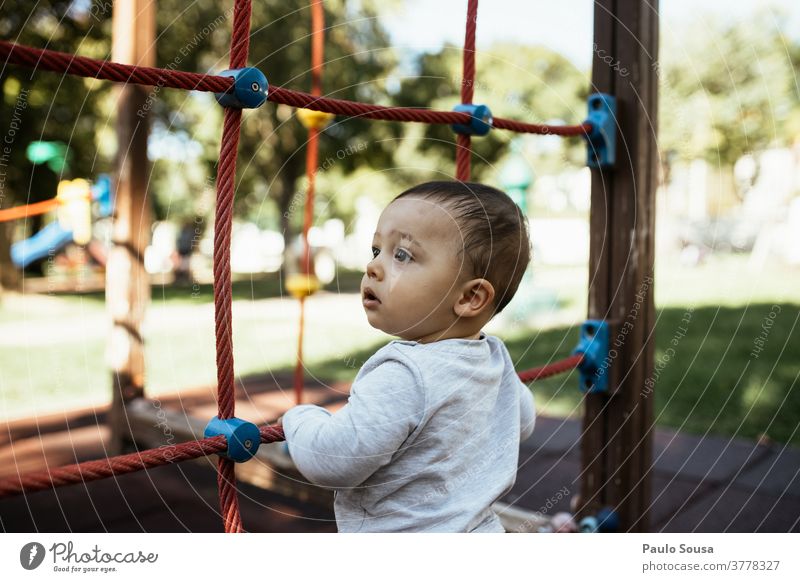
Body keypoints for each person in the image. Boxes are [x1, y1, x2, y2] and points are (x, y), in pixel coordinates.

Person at [280, 181, 536, 532]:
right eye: (376, 250)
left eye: (402, 255)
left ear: (471, 297)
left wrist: (299, 419)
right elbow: (523, 421)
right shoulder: (494, 357)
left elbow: (333, 459)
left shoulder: (405, 374)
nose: (374, 268)